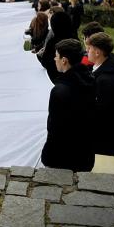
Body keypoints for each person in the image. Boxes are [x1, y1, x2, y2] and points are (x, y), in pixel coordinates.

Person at [41, 38, 95, 172]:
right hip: (85, 153)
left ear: (64, 60)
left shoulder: (60, 91)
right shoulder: (90, 80)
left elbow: (54, 129)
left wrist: (48, 155)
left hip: (62, 158)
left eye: (56, 56)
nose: (54, 59)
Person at [86, 32, 114, 155]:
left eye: (89, 49)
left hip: (106, 139)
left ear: (97, 52)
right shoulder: (107, 65)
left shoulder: (105, 81)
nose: (86, 51)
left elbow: (100, 113)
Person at [37, 10, 75, 83]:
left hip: (56, 79)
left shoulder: (52, 42)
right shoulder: (74, 38)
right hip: (73, 78)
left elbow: (46, 62)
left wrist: (39, 55)